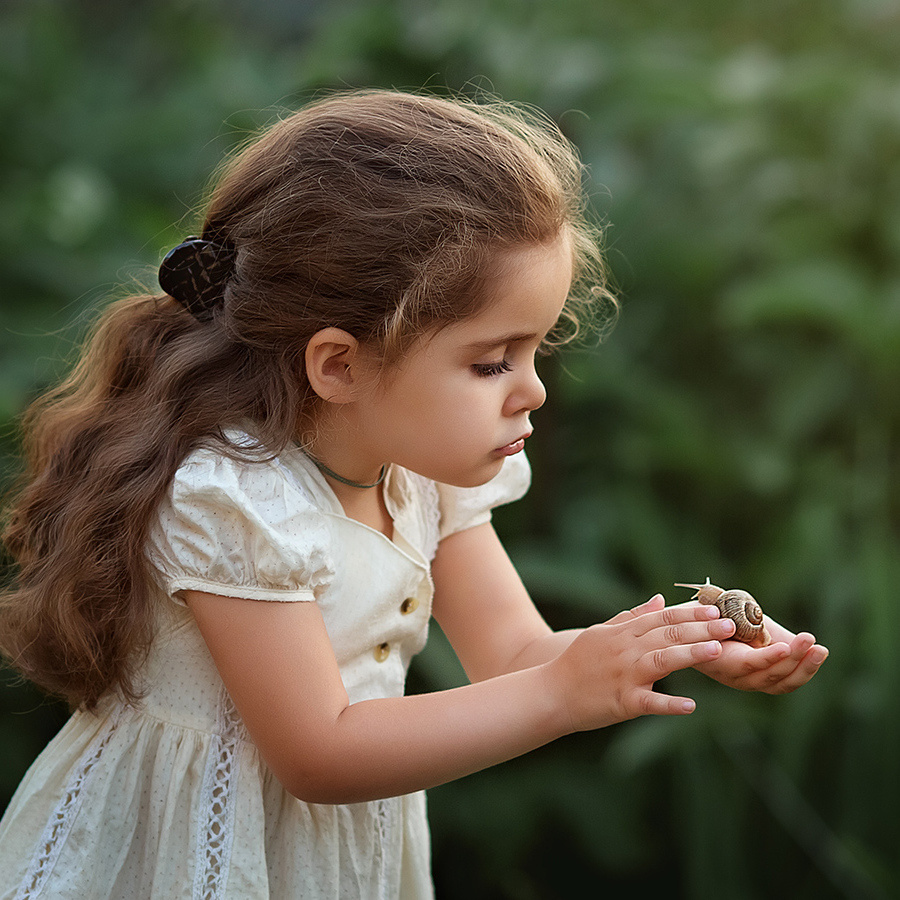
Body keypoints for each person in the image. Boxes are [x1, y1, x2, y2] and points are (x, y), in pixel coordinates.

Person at [0, 89, 827, 899]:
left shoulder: (421, 479)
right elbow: (319, 754)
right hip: (188, 858)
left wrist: (681, 642)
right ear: (340, 364)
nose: (534, 390)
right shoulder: (238, 505)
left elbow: (516, 654)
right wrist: (559, 695)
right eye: (491, 362)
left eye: (536, 351)